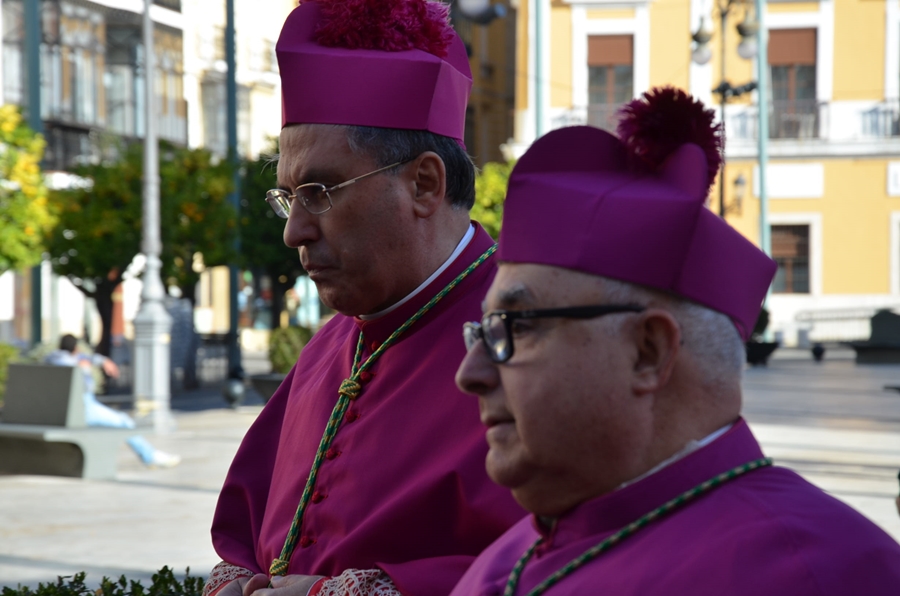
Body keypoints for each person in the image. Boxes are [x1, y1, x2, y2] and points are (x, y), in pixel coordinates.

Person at [451, 87, 900, 595]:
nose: (470, 374)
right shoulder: (512, 554)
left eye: (516, 326)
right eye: (482, 331)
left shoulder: (820, 572)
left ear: (649, 352)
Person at [205, 1, 524, 595]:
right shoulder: (331, 343)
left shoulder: (533, 340)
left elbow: (562, 558)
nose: (293, 231)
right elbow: (254, 531)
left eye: (320, 191)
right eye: (288, 197)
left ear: (424, 184)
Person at [45, 334, 181, 468]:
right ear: (75, 348)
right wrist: (85, 369)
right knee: (124, 421)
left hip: (62, 408)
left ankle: (149, 455)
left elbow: (86, 358)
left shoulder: (54, 359)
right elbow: (85, 385)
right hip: (80, 408)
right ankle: (150, 456)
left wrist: (103, 361)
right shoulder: (69, 363)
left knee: (115, 422)